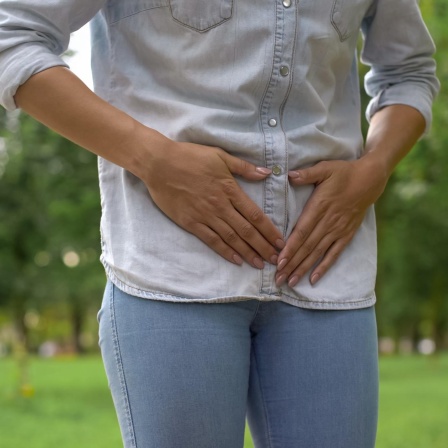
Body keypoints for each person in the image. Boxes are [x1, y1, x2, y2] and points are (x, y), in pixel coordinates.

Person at [0, 1, 439, 447]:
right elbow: (10, 35)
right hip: (171, 272)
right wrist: (152, 158)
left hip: (328, 273)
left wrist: (376, 167)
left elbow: (409, 72)